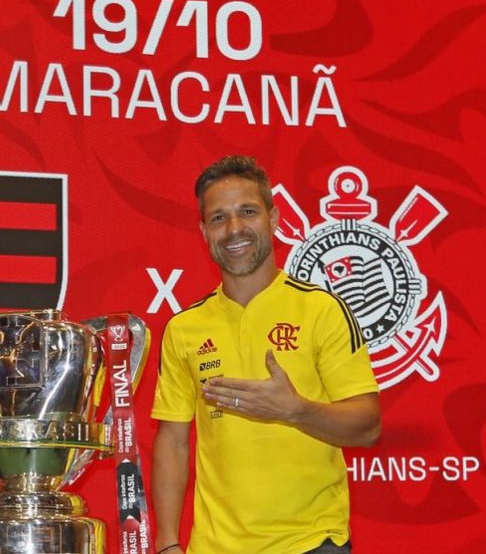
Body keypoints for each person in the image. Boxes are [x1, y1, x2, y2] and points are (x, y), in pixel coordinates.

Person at [150, 156, 381, 554]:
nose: (234, 229)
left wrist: (295, 410)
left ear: (273, 219)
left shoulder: (321, 310)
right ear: (204, 231)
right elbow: (173, 441)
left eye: (248, 212)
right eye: (219, 218)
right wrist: (168, 541)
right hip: (214, 546)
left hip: (311, 542)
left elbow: (368, 426)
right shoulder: (183, 328)